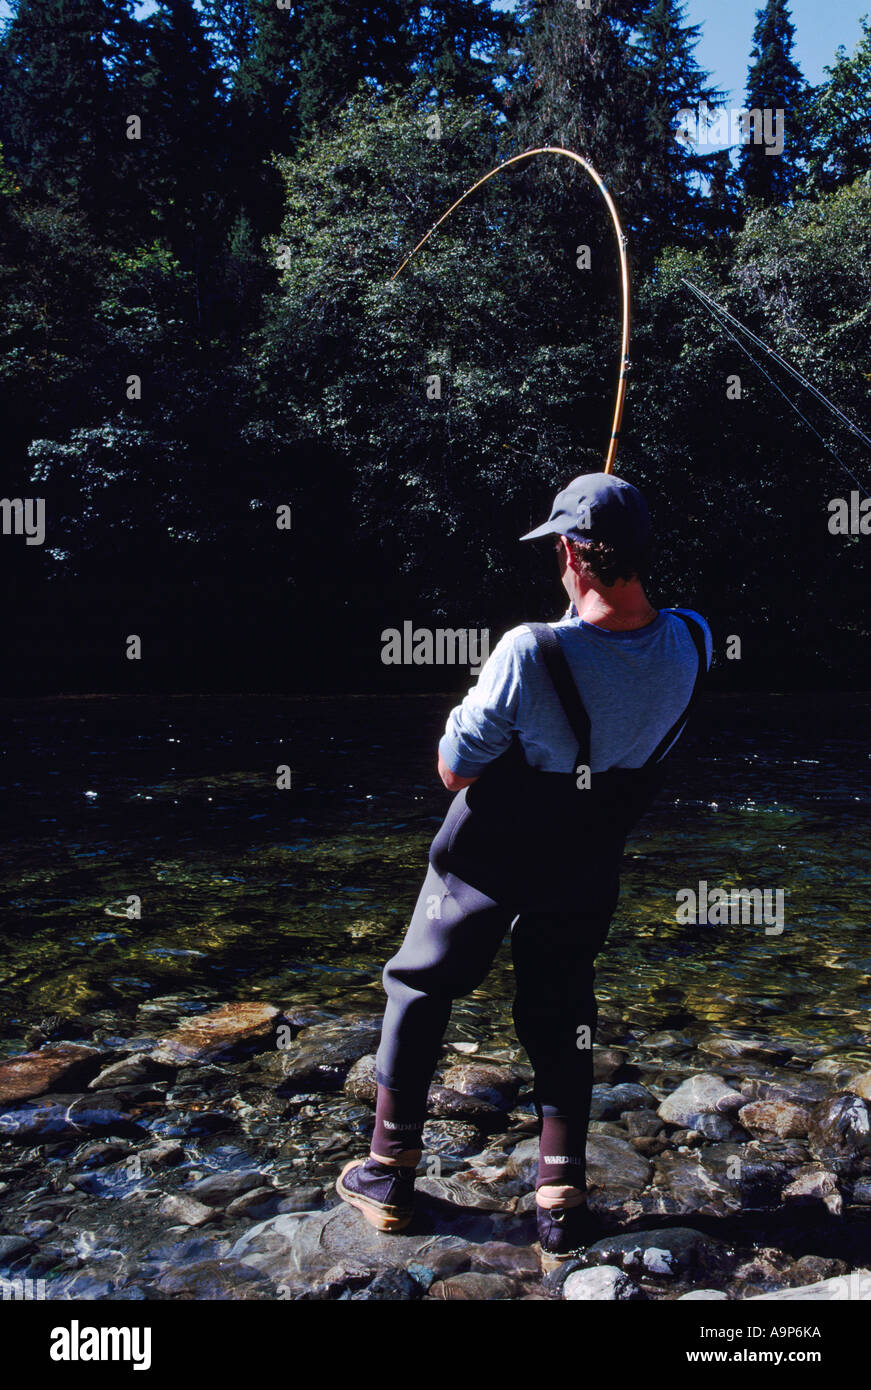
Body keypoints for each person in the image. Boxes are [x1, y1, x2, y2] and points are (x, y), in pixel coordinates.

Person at [337, 473, 712, 1256]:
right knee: (560, 1005)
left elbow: (454, 768)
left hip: (491, 854)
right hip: (587, 856)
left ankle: (386, 1172)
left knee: (418, 984)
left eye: (558, 547)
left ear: (572, 551)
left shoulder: (528, 648)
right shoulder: (695, 638)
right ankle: (559, 1197)